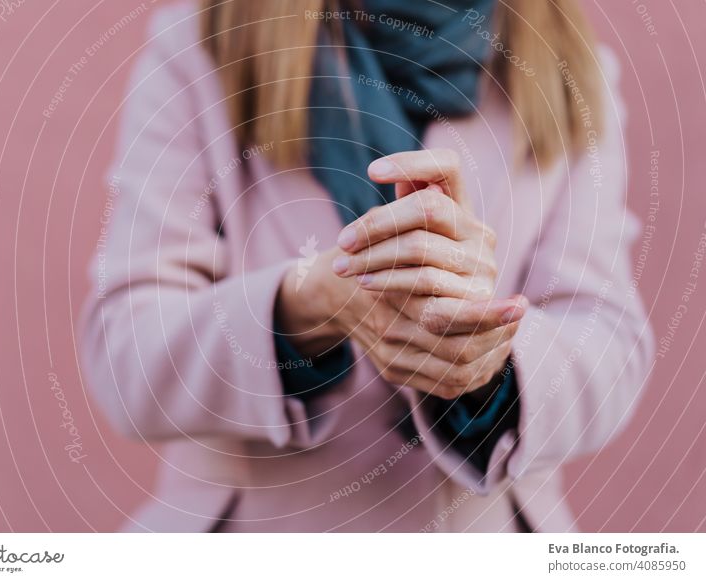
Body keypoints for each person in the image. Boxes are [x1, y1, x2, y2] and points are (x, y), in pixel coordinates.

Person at [78, 0, 654, 532]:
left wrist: (491, 362)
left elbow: (609, 341)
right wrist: (302, 307)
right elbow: (126, 351)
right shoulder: (207, 34)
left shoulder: (567, 65)